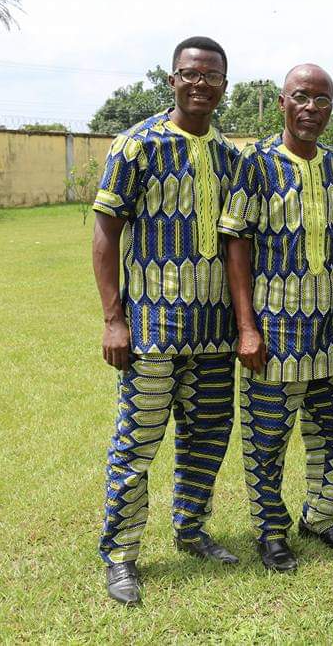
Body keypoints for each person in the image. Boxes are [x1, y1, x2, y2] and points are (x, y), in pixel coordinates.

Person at [92, 36, 240, 605]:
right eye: (190, 74)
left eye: (212, 76)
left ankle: (192, 529)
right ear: (172, 79)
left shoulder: (230, 155)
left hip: (216, 334)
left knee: (206, 439)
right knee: (137, 442)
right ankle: (121, 555)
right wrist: (113, 319)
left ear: (225, 85)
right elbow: (106, 232)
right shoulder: (136, 145)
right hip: (152, 331)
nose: (201, 84)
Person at [218, 64, 333, 573]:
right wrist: (247, 327)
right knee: (268, 438)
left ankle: (319, 517)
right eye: (301, 97)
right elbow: (235, 243)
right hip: (275, 327)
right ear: (282, 101)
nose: (312, 108)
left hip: (331, 329)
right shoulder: (253, 163)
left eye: (322, 100)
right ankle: (270, 532)